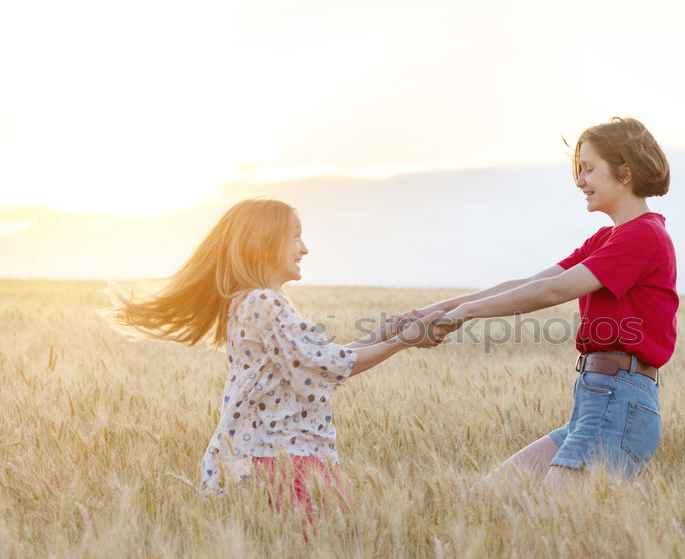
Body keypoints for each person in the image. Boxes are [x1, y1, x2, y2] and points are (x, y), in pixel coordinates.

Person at [106, 198, 443, 524]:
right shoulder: (264, 301)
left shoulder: (250, 301)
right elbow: (328, 365)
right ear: (265, 243)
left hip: (267, 459)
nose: (304, 249)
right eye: (295, 236)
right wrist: (404, 341)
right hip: (286, 463)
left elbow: (315, 362)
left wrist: (383, 335)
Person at [394, 117, 677, 489]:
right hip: (595, 405)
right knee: (488, 499)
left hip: (617, 406)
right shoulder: (608, 237)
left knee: (554, 527)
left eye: (589, 169)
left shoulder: (643, 235)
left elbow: (554, 291)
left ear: (624, 172)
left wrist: (465, 314)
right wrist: (439, 310)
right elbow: (531, 282)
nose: (579, 181)